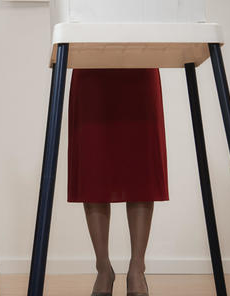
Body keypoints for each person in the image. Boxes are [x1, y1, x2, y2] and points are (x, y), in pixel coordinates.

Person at [68, 68, 168, 296]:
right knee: (93, 167)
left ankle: (137, 267)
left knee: (141, 166)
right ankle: (103, 267)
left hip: (140, 58)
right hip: (91, 61)